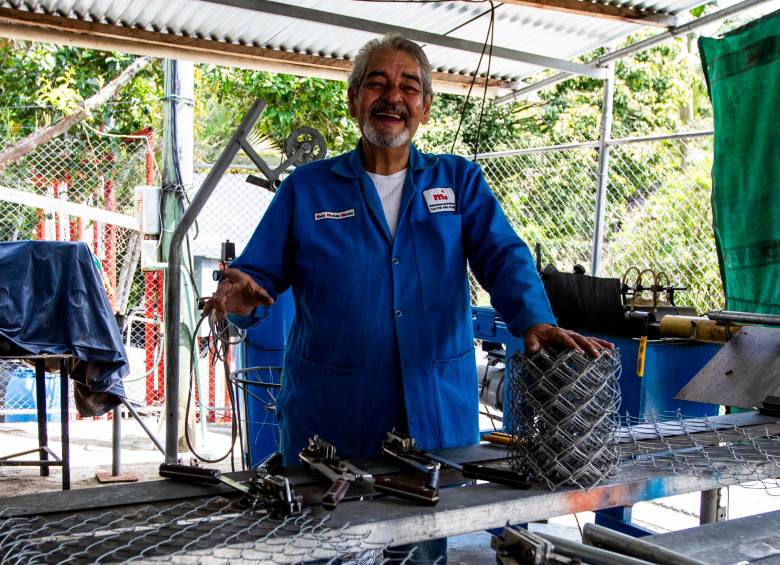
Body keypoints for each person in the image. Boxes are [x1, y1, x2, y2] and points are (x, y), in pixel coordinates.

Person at [204, 34, 611, 563]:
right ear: (354, 100)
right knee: (326, 548)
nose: (392, 96)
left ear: (424, 106)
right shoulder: (307, 189)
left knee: (420, 551)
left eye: (408, 86)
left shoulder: (458, 181)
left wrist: (532, 318)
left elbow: (503, 256)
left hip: (432, 413)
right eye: (377, 83)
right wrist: (241, 297)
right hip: (331, 419)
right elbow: (256, 277)